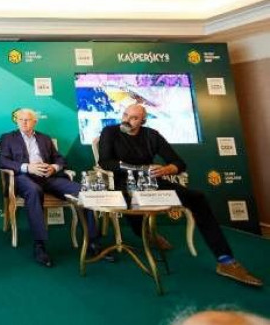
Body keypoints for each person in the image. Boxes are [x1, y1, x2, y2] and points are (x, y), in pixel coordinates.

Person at [99, 103, 263, 287]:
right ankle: (148, 234)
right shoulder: (110, 131)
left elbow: (179, 163)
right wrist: (141, 168)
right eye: (125, 115)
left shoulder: (152, 135)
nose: (127, 120)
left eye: (134, 118)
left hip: (153, 182)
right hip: (124, 184)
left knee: (197, 198)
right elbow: (105, 162)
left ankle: (225, 260)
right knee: (136, 215)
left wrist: (167, 169)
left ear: (143, 121)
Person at [0, 108, 107, 267]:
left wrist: (54, 168)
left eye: (27, 120)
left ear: (35, 122)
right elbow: (3, 161)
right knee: (34, 190)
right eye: (20, 119)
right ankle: (40, 245)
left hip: (48, 177)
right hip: (23, 178)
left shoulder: (44, 138)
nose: (23, 122)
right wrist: (28, 168)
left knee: (84, 191)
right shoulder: (8, 138)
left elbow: (60, 159)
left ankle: (93, 242)